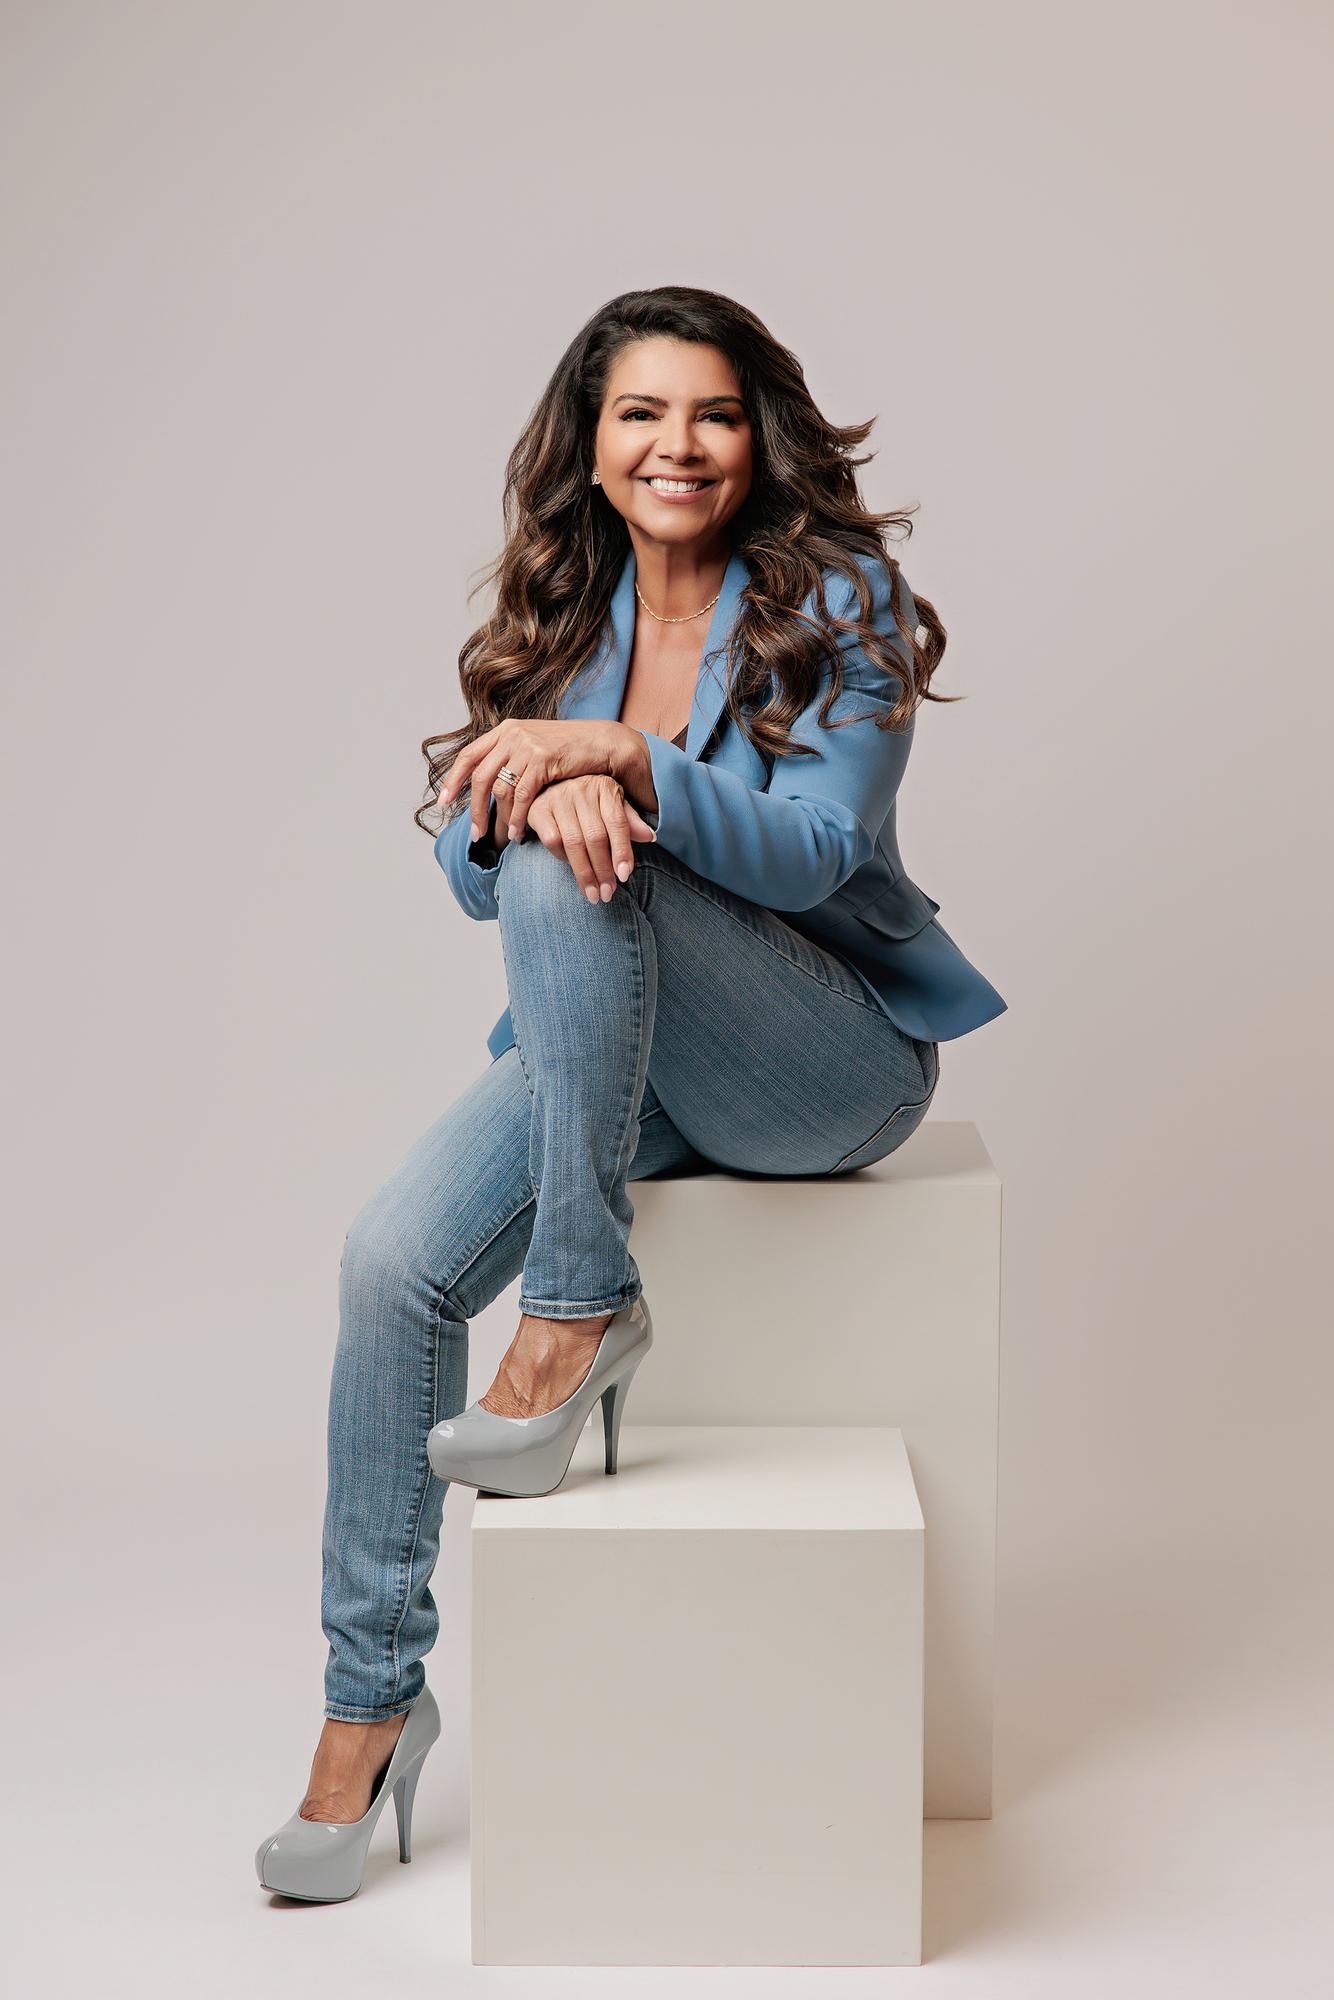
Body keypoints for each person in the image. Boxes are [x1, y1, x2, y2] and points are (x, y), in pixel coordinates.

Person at [255, 284, 1007, 1902]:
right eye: (642, 415)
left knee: (572, 833)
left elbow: (815, 855)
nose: (680, 445)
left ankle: (580, 1305)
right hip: (628, 1040)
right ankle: (367, 1701)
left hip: (822, 1063)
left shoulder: (846, 604)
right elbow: (483, 882)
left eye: (715, 413)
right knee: (390, 1270)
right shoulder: (556, 619)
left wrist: (613, 765)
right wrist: (541, 780)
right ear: (589, 450)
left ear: (759, 438)